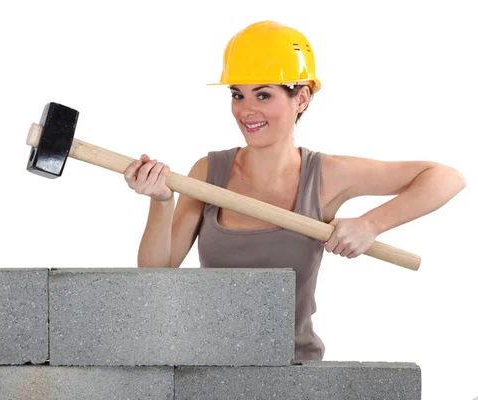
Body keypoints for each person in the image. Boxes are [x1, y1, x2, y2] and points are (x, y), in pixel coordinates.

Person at [122, 20, 466, 361]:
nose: (246, 109)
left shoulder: (327, 176)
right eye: (237, 94)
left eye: (263, 94)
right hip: (208, 364)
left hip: (293, 369)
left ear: (301, 98)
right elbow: (156, 277)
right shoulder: (209, 172)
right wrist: (161, 201)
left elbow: (446, 177)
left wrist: (371, 224)